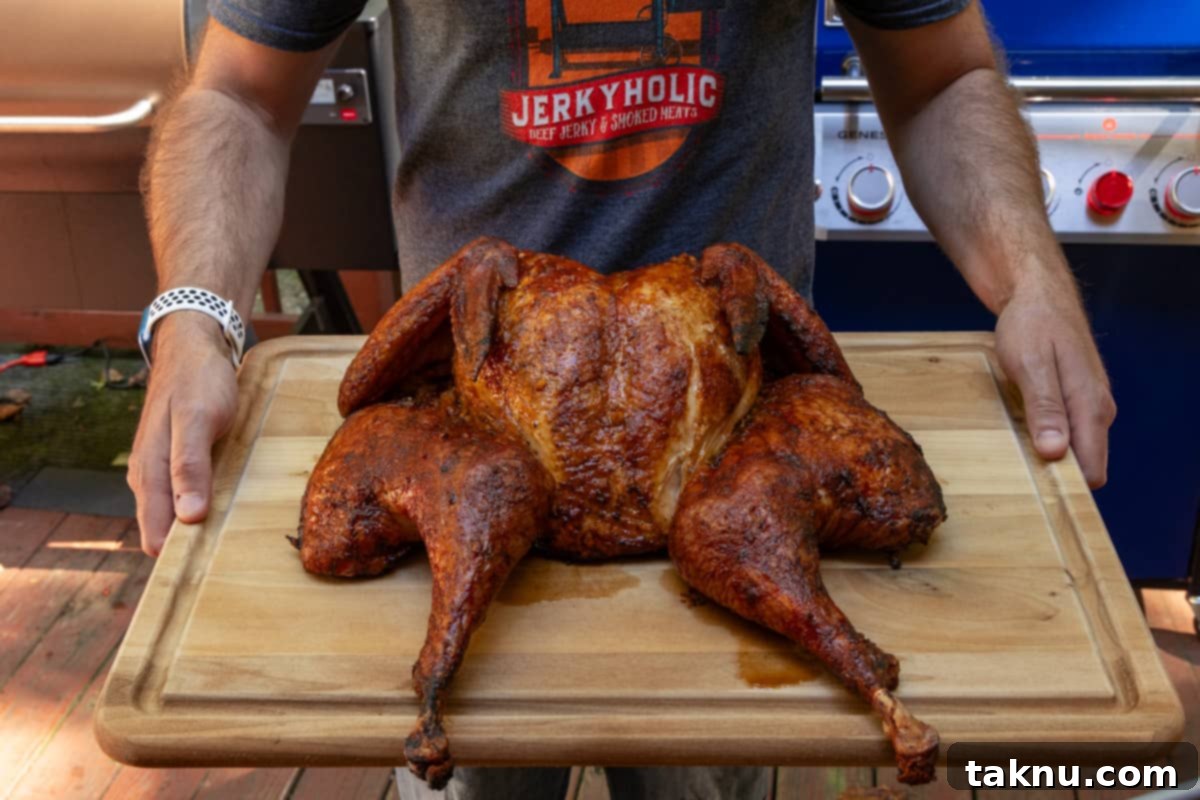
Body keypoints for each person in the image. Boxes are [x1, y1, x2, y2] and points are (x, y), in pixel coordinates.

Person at [127, 0, 1116, 797]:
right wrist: (190, 317)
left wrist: (1031, 285)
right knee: (459, 772)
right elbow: (239, 97)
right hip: (470, 438)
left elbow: (943, 73)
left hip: (734, 442)